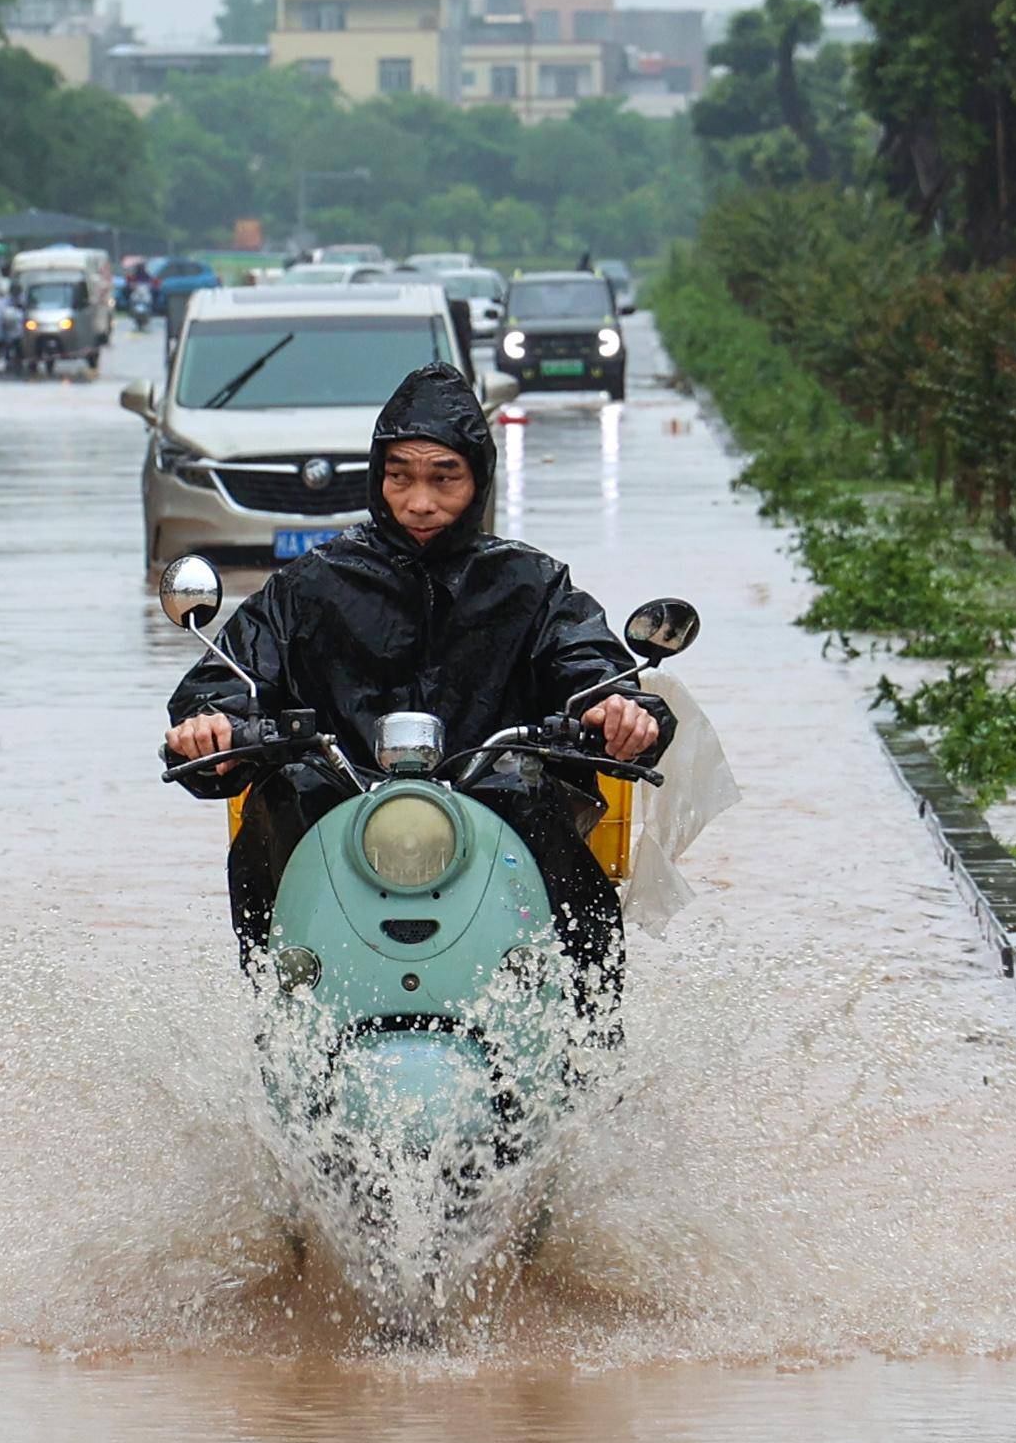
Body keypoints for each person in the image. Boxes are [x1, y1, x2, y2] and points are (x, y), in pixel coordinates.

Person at [163, 361, 667, 980]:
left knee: (536, 805)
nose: (419, 502)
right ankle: (287, 1012)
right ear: (377, 479)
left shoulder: (532, 585)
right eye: (399, 477)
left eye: (443, 477)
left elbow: (590, 664)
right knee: (288, 795)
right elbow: (227, 679)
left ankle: (582, 1041)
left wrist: (616, 707)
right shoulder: (309, 586)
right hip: (340, 807)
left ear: (478, 480)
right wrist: (209, 726)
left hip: (493, 811)